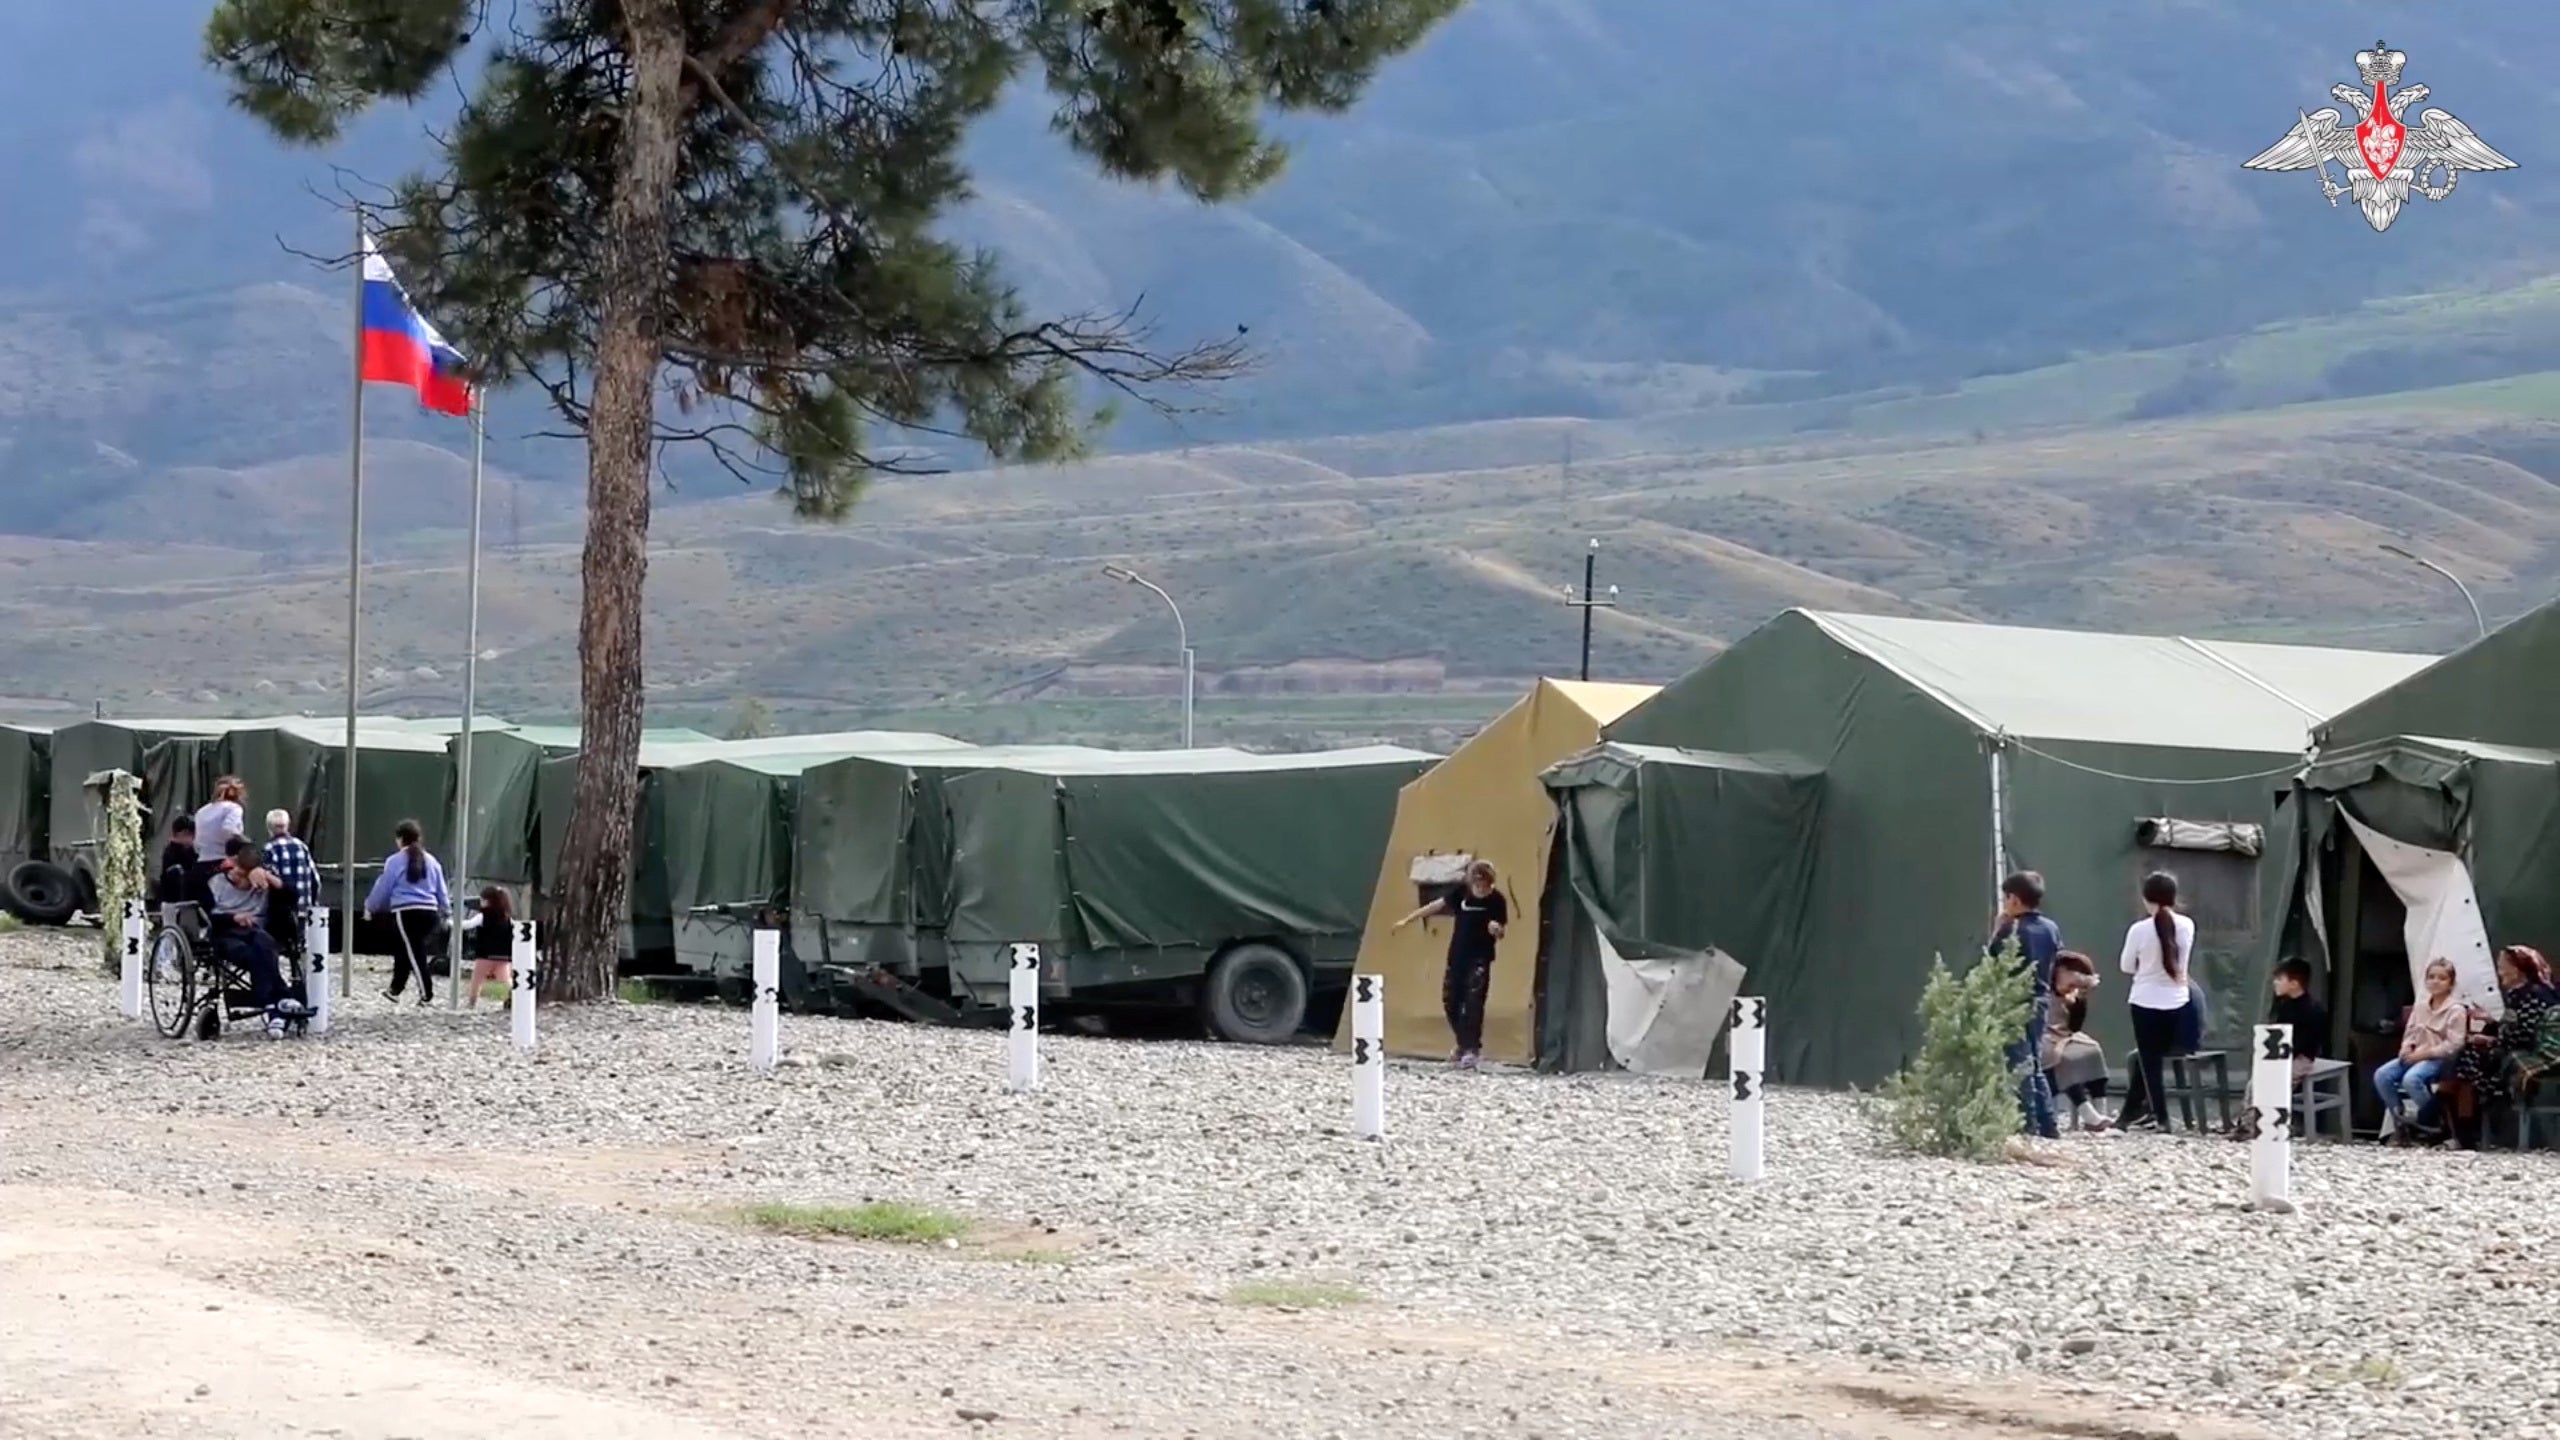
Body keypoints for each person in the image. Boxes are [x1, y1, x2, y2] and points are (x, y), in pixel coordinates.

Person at [1391, 859, 1508, 1069]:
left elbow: (1501, 928)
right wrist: (1409, 919)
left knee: (1473, 1003)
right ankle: (1463, 1043)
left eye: (1484, 884)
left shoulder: (1496, 900)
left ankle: (1472, 1049)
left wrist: (1496, 929)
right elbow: (1437, 905)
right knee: (1450, 1001)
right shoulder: (1462, 894)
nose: (1480, 887)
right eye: (1477, 882)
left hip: (1479, 957)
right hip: (1457, 956)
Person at [2447, 945, 2559, 1141]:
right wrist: (2491, 1022)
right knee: (2466, 1057)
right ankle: (2459, 1126)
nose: (2499, 972)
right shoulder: (2519, 994)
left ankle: (2466, 1130)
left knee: (2470, 1058)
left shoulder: (2533, 995)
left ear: (2516, 970)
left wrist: (2491, 1040)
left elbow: (2525, 1036)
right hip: (2521, 1046)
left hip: (2538, 1053)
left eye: (2502, 967)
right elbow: (2516, 1027)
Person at [2113, 871, 2194, 1133]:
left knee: (2149, 1061)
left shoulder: (2138, 930)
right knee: (2149, 1059)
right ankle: (2128, 1115)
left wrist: (2144, 965)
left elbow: (2126, 966)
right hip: (2179, 1001)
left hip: (2145, 1001)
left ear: (2147, 898)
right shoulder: (2188, 925)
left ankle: (2161, 1118)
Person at [1990, 870, 2062, 1140]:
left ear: (2015, 899)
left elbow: (1992, 962)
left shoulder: (2013, 928)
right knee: (2034, 1061)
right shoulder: (2051, 928)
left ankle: (2027, 1122)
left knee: (2019, 1063)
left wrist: (1998, 929)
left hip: (2014, 1001)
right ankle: (2048, 1123)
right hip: (2041, 1000)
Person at [207, 837, 299, 1028]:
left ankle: (270, 1004)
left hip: (258, 932)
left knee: (261, 941)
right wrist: (233, 918)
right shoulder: (215, 883)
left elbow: (292, 895)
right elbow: (206, 917)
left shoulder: (262, 884)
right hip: (226, 933)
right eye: (238, 874)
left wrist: (270, 878)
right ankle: (280, 998)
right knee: (258, 950)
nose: (241, 881)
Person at [2375, 957, 2467, 1144]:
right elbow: (2410, 1032)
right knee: (2382, 1075)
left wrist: (2424, 1054)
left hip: (2438, 1058)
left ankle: (2431, 1120)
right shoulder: (2420, 1006)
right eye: (2431, 977)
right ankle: (2400, 1121)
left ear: (2450, 983)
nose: (2435, 981)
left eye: (2441, 978)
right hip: (2416, 1053)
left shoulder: (2456, 1010)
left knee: (2412, 1079)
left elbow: (2454, 1043)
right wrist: (2406, 1048)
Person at [365, 819, 451, 1007]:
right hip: (430, 912)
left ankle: (426, 993)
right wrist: (446, 910)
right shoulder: (432, 860)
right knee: (405, 950)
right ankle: (395, 989)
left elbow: (384, 887)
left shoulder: (395, 861)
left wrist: (371, 907)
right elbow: (441, 888)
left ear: (400, 839)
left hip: (407, 912)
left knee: (414, 952)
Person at [2042, 951, 2111, 1131]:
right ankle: (2087, 1113)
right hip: (2046, 1036)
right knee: (2064, 1059)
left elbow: (2075, 1026)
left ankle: (2100, 1109)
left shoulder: (2072, 996)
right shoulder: (2044, 991)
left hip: (2066, 1034)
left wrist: (2079, 1000)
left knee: (2093, 1050)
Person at [260, 809, 318, 960]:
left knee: (273, 946)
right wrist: (313, 901)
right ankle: (299, 977)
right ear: (287, 826)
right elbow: (314, 878)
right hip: (302, 906)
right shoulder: (302, 846)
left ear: (269, 828)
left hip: (280, 911)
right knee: (298, 946)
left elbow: (268, 881)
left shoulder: (269, 849)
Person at [2267, 958, 2329, 1077]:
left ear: (2294, 984)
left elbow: (2306, 1044)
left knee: (2278, 1079)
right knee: (2258, 1079)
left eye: (2279, 979)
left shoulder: (2313, 1011)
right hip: (2282, 1054)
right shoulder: (2283, 1005)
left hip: (2301, 1058)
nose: (2275, 982)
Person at [461, 886, 516, 1010]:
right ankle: (511, 998)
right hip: (503, 955)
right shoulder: (508, 918)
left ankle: (472, 1002)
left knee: (477, 980)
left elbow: (468, 925)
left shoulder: (483, 916)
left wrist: (451, 923)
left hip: (485, 954)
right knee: (504, 980)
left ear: (488, 901)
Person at [156, 815, 198, 907]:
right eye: (187, 834)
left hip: (190, 900)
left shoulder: (194, 851)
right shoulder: (172, 851)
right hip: (172, 900)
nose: (191, 838)